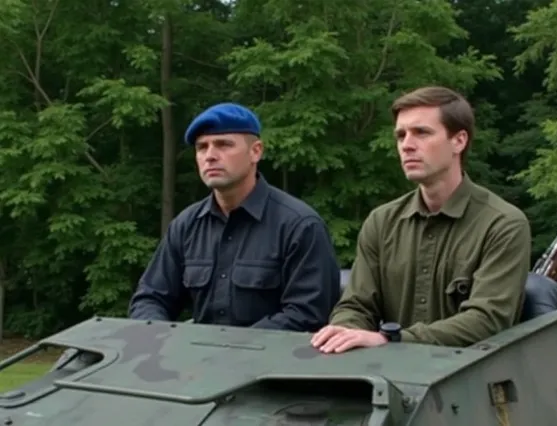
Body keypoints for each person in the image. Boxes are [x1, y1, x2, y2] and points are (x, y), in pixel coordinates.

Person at [311, 86, 532, 353]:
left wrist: (393, 340)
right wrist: (345, 332)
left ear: (459, 141)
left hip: (469, 379)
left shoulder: (502, 224)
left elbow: (487, 319)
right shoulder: (382, 222)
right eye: (401, 135)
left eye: (422, 133)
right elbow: (356, 305)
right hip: (388, 376)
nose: (407, 145)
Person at [128, 102, 341, 332]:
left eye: (223, 145)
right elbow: (149, 299)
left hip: (273, 363)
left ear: (256, 151)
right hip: (195, 360)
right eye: (202, 147)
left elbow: (308, 315)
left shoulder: (299, 226)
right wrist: (163, 341)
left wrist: (230, 350)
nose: (210, 156)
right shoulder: (187, 225)